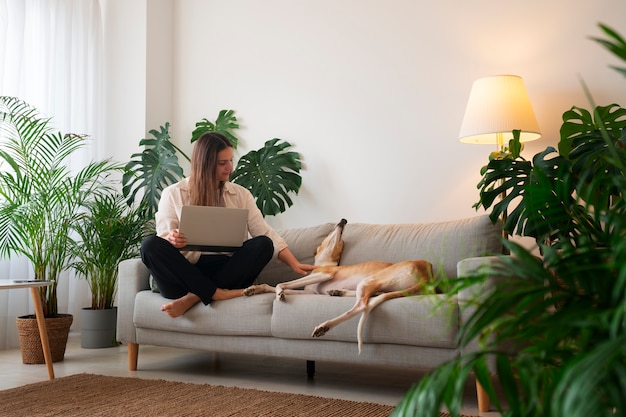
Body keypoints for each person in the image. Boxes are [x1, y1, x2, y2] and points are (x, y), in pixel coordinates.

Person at [140, 132, 314, 318]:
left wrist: (294, 263)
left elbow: (264, 232)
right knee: (149, 245)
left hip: (227, 272)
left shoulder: (241, 194)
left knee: (263, 244)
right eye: (222, 163)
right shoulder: (173, 194)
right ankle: (215, 293)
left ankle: (195, 297)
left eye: (230, 160)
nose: (230, 168)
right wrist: (171, 238)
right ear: (204, 163)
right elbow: (164, 240)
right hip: (185, 274)